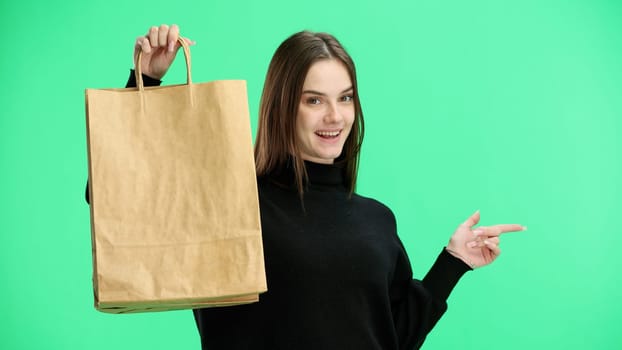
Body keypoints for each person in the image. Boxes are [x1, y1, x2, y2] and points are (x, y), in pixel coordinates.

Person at [93, 24, 525, 350]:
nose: (334, 116)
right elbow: (125, 202)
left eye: (346, 97)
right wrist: (144, 84)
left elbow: (394, 338)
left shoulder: (377, 219)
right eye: (314, 99)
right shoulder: (232, 202)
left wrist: (452, 263)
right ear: (284, 106)